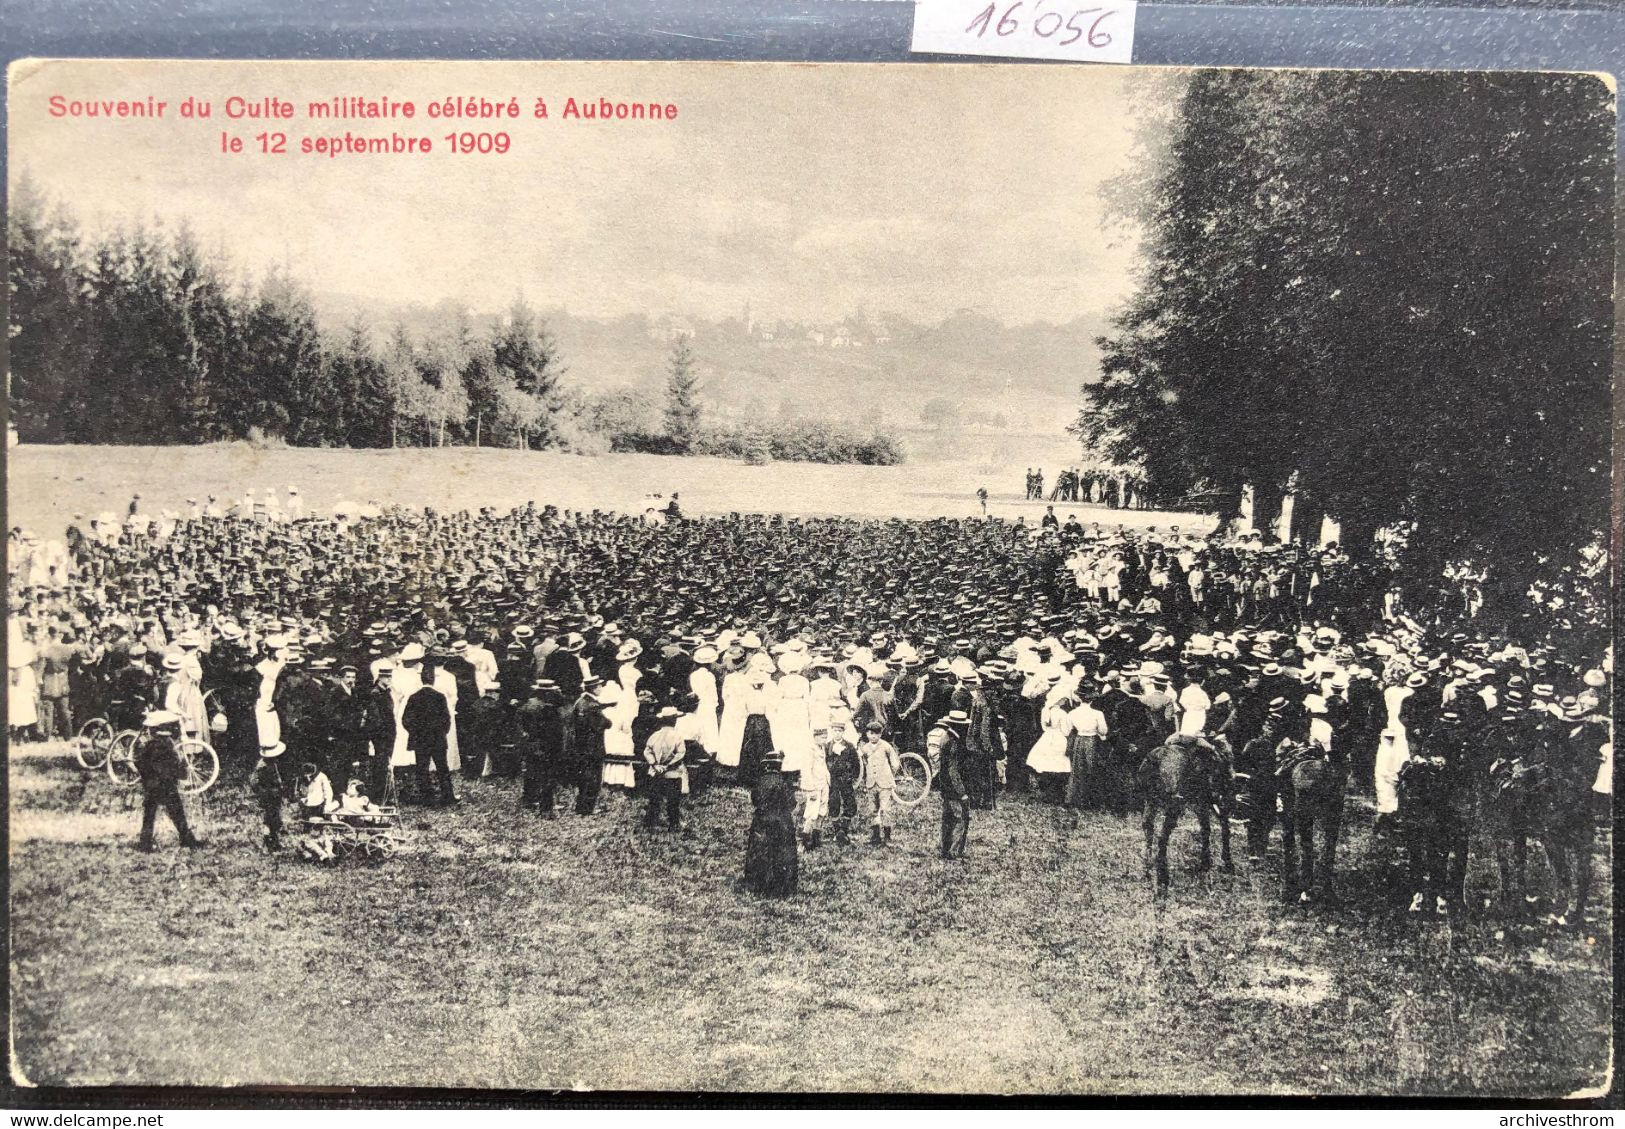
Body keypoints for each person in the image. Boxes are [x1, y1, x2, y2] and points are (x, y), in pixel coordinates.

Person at [134, 711, 203, 852]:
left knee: (149, 815)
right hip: (166, 786)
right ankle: (186, 839)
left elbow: (140, 763)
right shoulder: (167, 747)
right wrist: (183, 766)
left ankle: (145, 843)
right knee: (177, 813)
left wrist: (147, 778)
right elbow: (176, 771)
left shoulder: (149, 745)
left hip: (151, 785)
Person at [401, 659, 455, 808]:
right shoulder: (439, 697)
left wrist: (415, 733)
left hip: (420, 740)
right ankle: (447, 796)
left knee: (422, 768)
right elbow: (446, 719)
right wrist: (442, 733)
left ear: (421, 679)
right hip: (437, 739)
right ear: (432, 679)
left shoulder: (414, 697)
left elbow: (406, 720)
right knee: (442, 768)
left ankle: (427, 797)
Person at [744, 750, 798, 896]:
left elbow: (755, 800)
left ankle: (757, 885)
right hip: (782, 822)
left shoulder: (760, 781)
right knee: (783, 853)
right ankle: (782, 887)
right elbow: (792, 803)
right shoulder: (784, 782)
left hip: (762, 821)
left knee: (760, 852)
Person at [641, 705, 687, 831]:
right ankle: (673, 823)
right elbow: (680, 754)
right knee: (673, 800)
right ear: (674, 720)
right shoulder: (677, 736)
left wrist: (655, 764)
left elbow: (647, 751)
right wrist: (669, 765)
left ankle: (650, 822)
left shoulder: (655, 735)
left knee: (654, 799)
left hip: (656, 772)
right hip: (672, 773)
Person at [856, 719, 900, 847]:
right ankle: (875, 836)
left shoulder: (886, 746)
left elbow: (895, 763)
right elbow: (860, 761)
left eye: (876, 733)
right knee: (872, 809)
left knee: (886, 809)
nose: (873, 736)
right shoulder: (865, 748)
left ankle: (887, 837)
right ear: (867, 734)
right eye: (871, 733)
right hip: (871, 783)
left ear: (880, 734)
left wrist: (890, 774)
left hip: (884, 783)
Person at [937, 710, 972, 860]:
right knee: (960, 819)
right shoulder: (954, 744)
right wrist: (962, 792)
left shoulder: (945, 738)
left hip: (945, 787)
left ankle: (945, 850)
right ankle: (954, 852)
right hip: (954, 789)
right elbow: (953, 771)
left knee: (948, 819)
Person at [248, 740, 287, 852]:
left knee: (275, 819)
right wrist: (263, 792)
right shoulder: (262, 766)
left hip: (275, 795)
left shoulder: (272, 763)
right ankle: (268, 844)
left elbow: (277, 779)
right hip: (268, 796)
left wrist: (279, 788)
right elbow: (254, 781)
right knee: (270, 819)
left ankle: (275, 842)